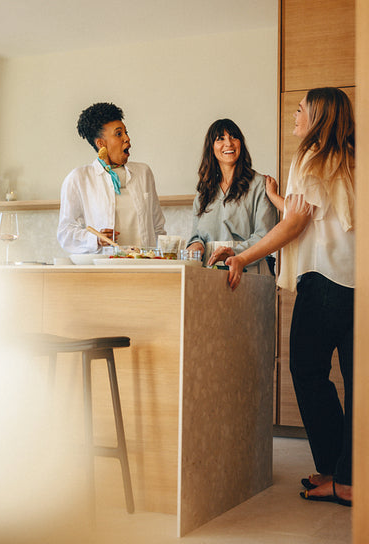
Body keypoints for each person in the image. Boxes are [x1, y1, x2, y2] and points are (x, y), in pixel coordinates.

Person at [215, 87, 354, 506]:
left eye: (300, 110)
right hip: (358, 284)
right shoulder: (350, 159)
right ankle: (346, 475)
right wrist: (279, 197)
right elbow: (317, 213)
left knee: (307, 372)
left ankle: (339, 473)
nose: (294, 115)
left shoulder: (309, 156)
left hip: (325, 281)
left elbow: (295, 225)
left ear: (317, 117)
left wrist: (241, 255)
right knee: (356, 384)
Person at [57, 102, 166, 253]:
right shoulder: (79, 178)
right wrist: (96, 239)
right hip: (105, 270)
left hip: (143, 267)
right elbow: (65, 233)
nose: (127, 138)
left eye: (126, 132)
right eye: (119, 134)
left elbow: (158, 227)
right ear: (101, 144)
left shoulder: (144, 173)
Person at [186, 118, 277, 271]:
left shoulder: (260, 184)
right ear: (211, 148)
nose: (229, 143)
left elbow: (265, 236)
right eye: (220, 139)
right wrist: (196, 245)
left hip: (247, 268)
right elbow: (196, 235)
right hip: (209, 271)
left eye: (234, 137)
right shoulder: (204, 190)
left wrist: (235, 253)